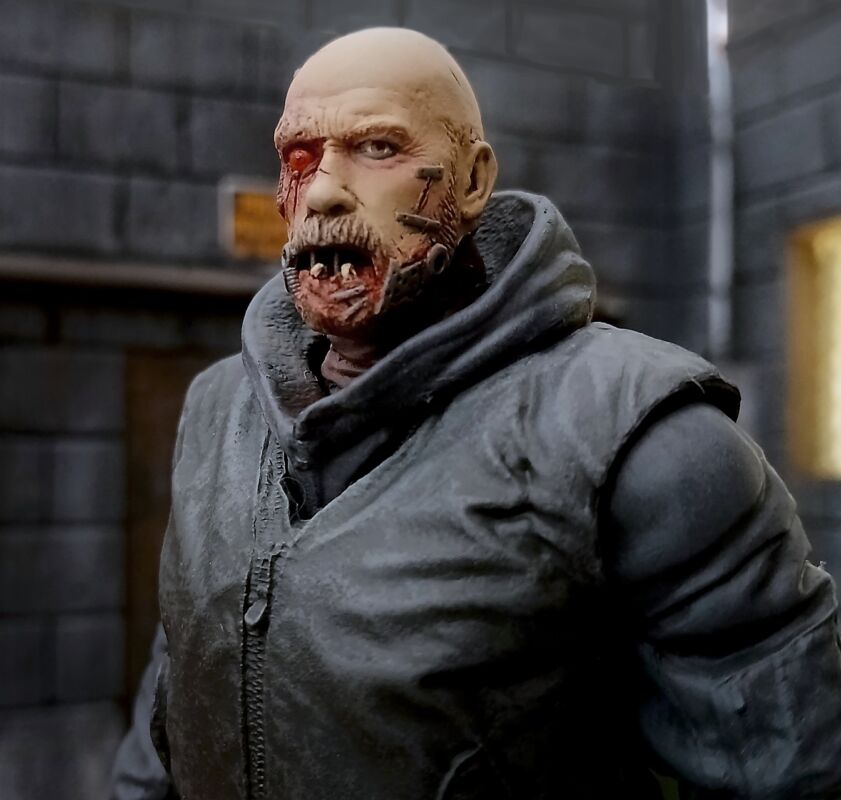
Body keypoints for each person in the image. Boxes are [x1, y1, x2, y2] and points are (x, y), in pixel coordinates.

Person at [112, 27, 841, 800]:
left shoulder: (641, 434)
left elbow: (788, 771)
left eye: (377, 148)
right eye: (299, 157)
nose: (322, 192)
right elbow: (178, 690)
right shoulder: (217, 411)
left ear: (470, 179)